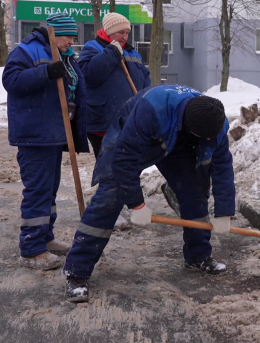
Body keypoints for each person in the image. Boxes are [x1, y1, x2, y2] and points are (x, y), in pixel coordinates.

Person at [62, 84, 235, 303]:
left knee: (195, 193)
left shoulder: (215, 124)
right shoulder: (151, 110)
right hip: (135, 138)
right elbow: (124, 160)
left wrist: (224, 212)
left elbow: (222, 169)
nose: (210, 141)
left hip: (179, 142)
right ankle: (77, 272)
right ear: (194, 130)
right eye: (204, 138)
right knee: (110, 196)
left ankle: (198, 256)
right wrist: (137, 204)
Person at [2, 12, 89, 271]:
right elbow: (11, 81)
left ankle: (46, 238)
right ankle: (31, 250)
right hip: (35, 135)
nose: (71, 42)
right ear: (54, 33)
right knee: (38, 191)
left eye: (74, 37)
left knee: (49, 191)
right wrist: (45, 72)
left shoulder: (66, 56)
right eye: (68, 37)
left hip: (54, 134)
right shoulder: (28, 51)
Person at [78, 12, 150, 157]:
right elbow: (89, 76)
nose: (124, 37)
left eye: (127, 33)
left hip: (130, 120)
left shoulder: (133, 53)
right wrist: (111, 52)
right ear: (109, 31)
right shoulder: (92, 48)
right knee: (109, 165)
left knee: (126, 163)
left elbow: (145, 80)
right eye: (120, 32)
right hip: (103, 121)